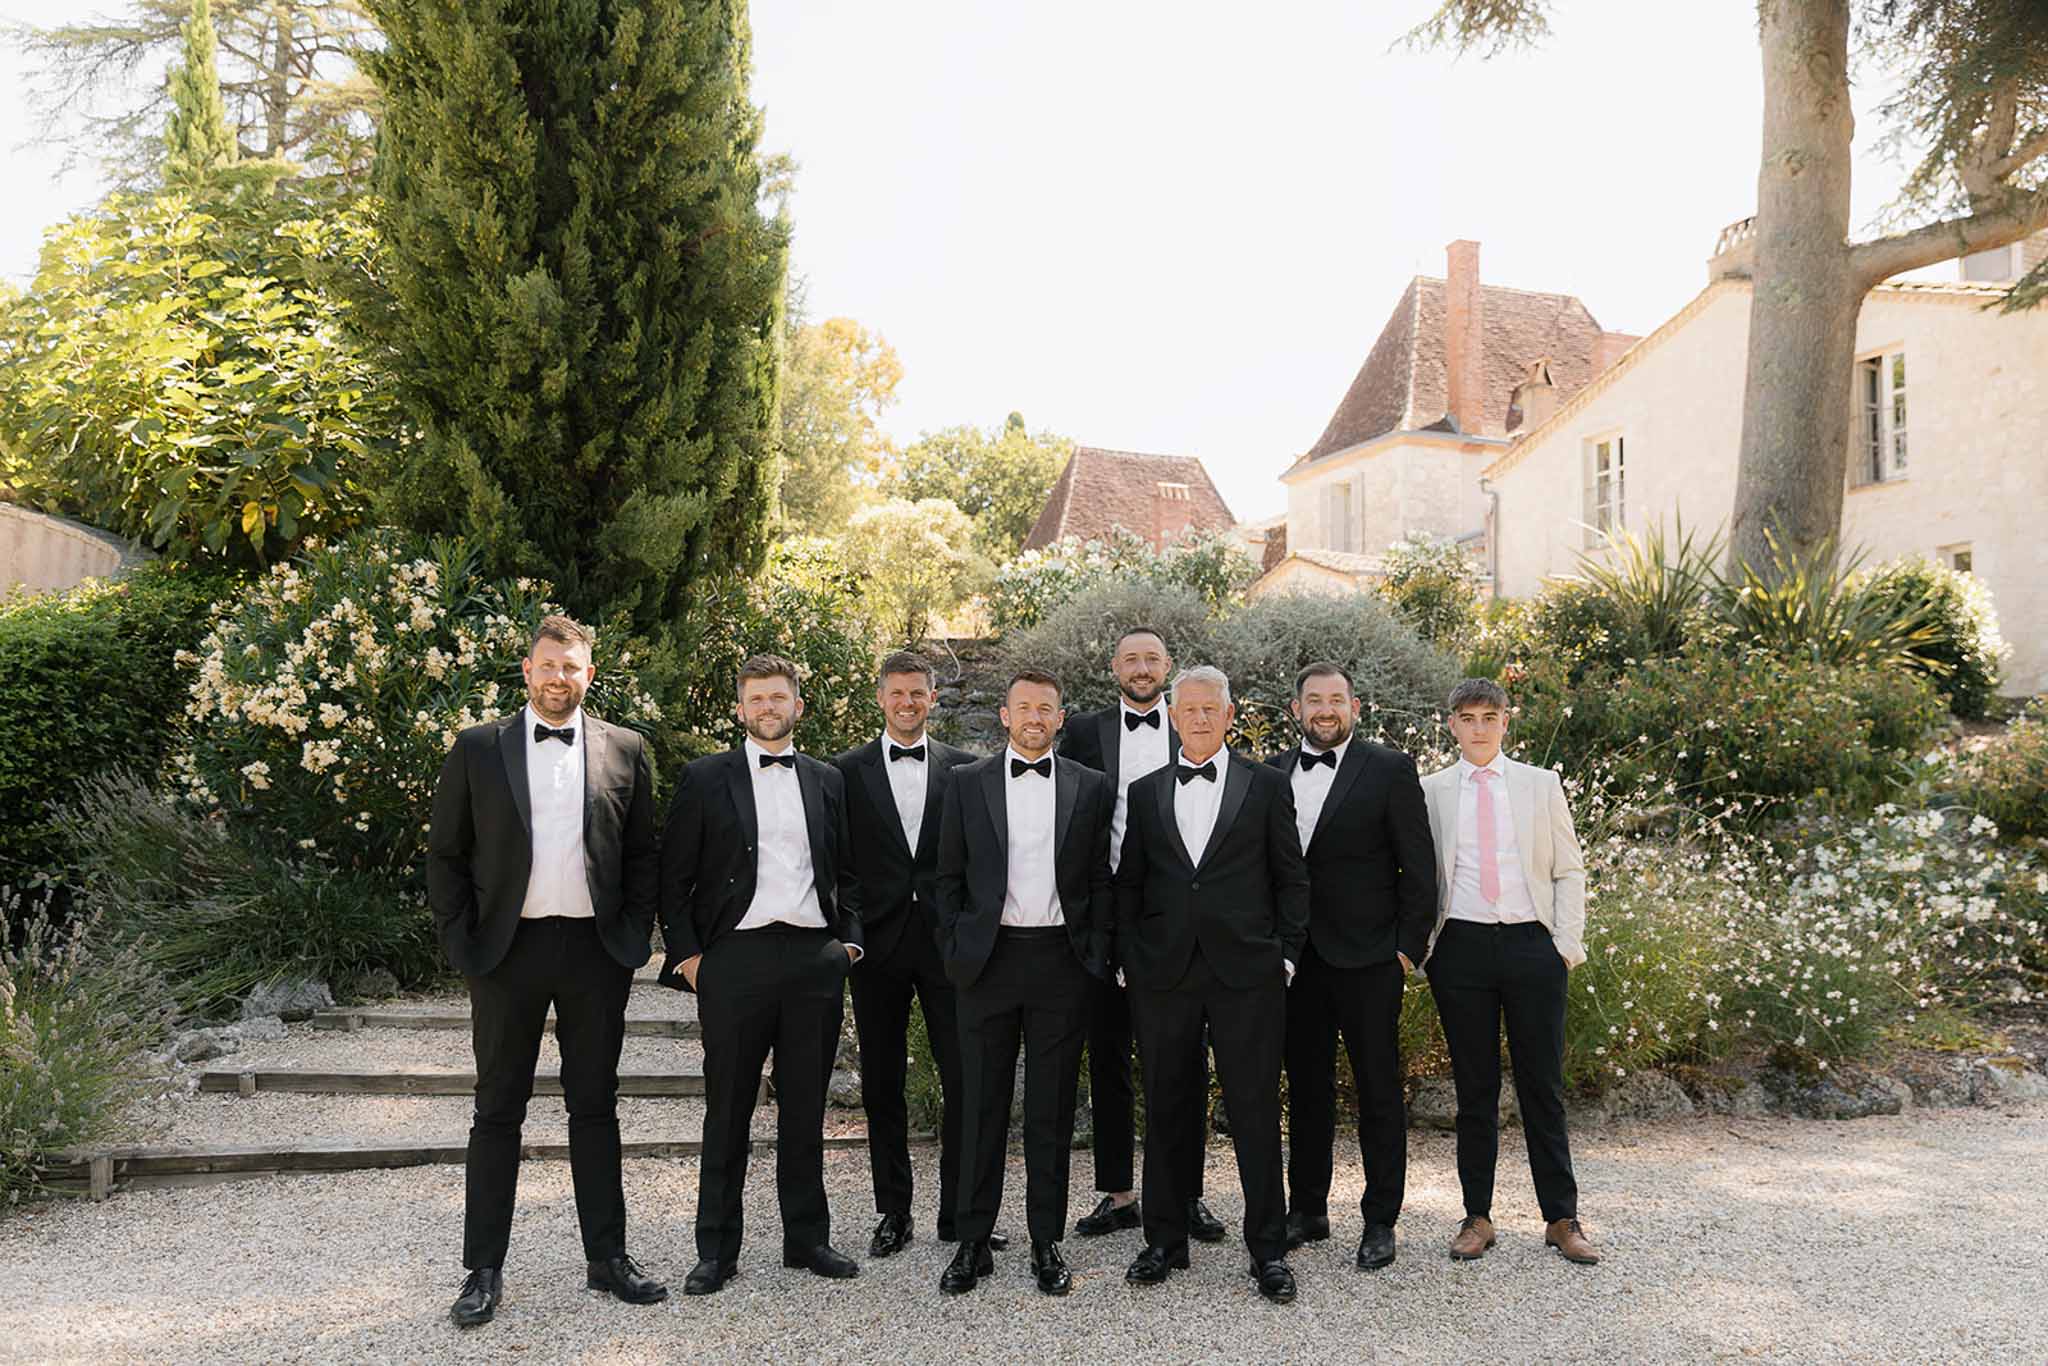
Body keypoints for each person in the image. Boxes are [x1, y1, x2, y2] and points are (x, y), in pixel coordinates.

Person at [426, 614, 668, 1328]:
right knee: (497, 1109)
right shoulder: (478, 748)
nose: (559, 677)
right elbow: (445, 854)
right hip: (507, 954)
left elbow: (644, 853)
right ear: (528, 671)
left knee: (595, 1104)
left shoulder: (626, 748)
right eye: (548, 665)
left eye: (572, 667)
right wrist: (462, 943)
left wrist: (634, 934)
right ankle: (482, 1271)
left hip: (596, 953)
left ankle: (607, 1258)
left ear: (589, 675)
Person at [658, 654, 865, 1295]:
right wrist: (691, 960)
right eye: (757, 698)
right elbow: (673, 878)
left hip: (812, 961)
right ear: (741, 709)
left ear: (798, 706)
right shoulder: (704, 778)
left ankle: (806, 1240)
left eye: (778, 697)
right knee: (727, 1112)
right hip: (734, 962)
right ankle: (716, 1250)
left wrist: (848, 946)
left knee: (805, 1110)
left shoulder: (828, 780)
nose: (768, 707)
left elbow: (850, 872)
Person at [1114, 665, 1310, 1303]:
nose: (1199, 718)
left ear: (1229, 715)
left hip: (1247, 974)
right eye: (1189, 709)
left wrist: (1285, 957)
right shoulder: (1145, 792)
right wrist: (1131, 959)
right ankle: (1164, 1241)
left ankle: (1268, 1250)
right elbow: (1130, 883)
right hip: (1164, 974)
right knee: (1166, 1108)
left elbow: (1291, 878)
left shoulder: (1267, 785)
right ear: (1173, 716)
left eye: (1210, 709)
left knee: (1255, 1111)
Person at [933, 669, 1115, 1296]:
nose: (1035, 717)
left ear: (1060, 718)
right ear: (1005, 716)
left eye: (1046, 708)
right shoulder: (966, 782)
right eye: (1024, 707)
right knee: (980, 1105)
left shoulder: (1091, 786)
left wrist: (1095, 954)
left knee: (1050, 1109)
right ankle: (972, 1242)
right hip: (987, 962)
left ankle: (1045, 1240)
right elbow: (946, 877)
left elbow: (1099, 878)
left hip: (1061, 962)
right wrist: (956, 949)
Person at [1419, 678, 1600, 1267]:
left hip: (1531, 946)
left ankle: (1561, 1217)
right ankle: (1477, 1216)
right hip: (1461, 947)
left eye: (1489, 717)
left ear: (1505, 721)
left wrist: (1563, 945)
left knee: (1542, 1085)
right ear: (1452, 725)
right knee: (1474, 1090)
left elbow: (1569, 868)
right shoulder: (1432, 791)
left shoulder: (1539, 784)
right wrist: (1426, 949)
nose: (1479, 728)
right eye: (1468, 718)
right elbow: (1417, 874)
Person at [1264, 662, 1436, 1270]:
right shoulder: (1271, 773)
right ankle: (1308, 1209)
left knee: (1378, 1090)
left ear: (1355, 707)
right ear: (1296, 710)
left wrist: (1407, 949)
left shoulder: (1390, 768)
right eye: (1314, 700)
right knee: (1306, 1089)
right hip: (1297, 963)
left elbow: (1419, 867)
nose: (1325, 709)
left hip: (1370, 959)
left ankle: (1380, 1219)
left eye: (1336, 699)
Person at [1058, 626, 1224, 1246]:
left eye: (1152, 658)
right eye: (1131, 658)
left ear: (1168, 666)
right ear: (1114, 667)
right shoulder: (1083, 732)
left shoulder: (1194, 723)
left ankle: (1187, 1193)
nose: (1142, 668)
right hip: (1105, 911)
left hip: (1182, 914)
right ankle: (1119, 1193)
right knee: (1108, 1055)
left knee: (1186, 1059)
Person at [832, 651, 983, 1259]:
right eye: (897, 692)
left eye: (918, 692)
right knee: (882, 1083)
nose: (907, 702)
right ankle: (893, 1210)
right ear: (880, 698)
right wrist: (850, 931)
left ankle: (961, 1212)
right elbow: (840, 862)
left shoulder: (966, 768)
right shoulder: (845, 771)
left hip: (947, 945)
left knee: (964, 1078)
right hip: (877, 945)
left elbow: (979, 858)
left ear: (933, 698)